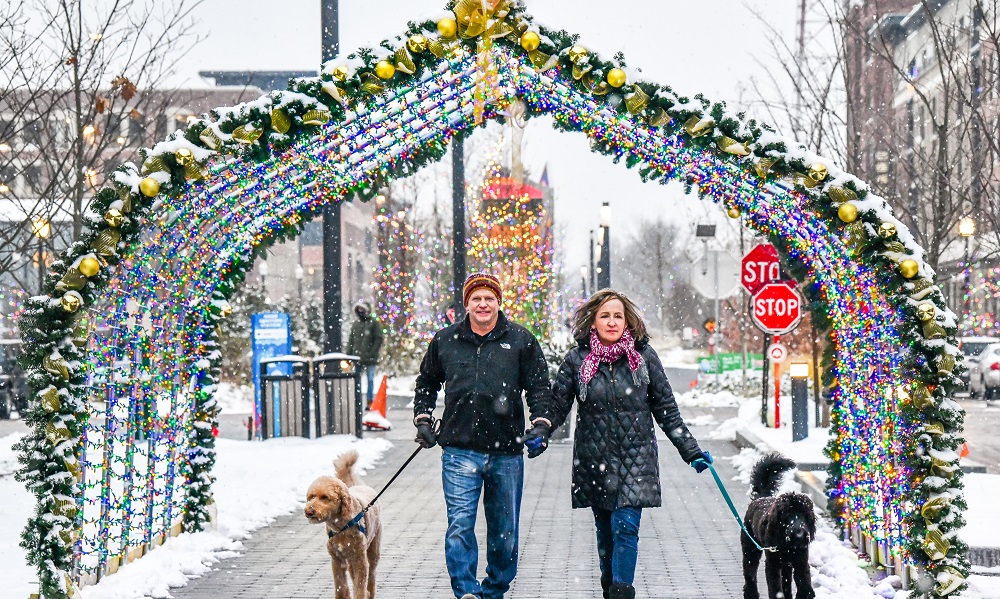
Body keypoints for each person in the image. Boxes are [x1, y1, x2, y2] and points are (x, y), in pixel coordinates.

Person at [523, 289, 712, 599]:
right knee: (606, 535)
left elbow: (667, 411)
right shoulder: (577, 359)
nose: (612, 322)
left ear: (628, 322)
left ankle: (622, 591)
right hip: (594, 458)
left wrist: (690, 451)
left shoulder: (644, 357)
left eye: (618, 316)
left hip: (636, 458)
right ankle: (612, 586)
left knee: (626, 529)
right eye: (605, 316)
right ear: (593, 322)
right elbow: (557, 405)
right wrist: (541, 430)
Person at [412, 272, 552, 599]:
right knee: (460, 527)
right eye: (476, 298)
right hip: (459, 450)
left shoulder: (520, 340)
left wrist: (541, 425)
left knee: (505, 534)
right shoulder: (446, 340)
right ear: (467, 304)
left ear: (498, 302)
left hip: (507, 452)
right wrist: (422, 419)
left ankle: (493, 590)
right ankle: (465, 592)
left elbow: (539, 388)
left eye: (489, 298)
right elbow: (427, 383)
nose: (483, 304)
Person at [346, 301, 384, 407]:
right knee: (357, 379)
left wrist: (371, 352)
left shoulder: (373, 323)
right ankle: (357, 400)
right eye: (359, 310)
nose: (361, 312)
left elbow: (378, 339)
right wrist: (348, 354)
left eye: (362, 309)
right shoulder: (356, 324)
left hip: (369, 358)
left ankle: (369, 401)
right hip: (357, 357)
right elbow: (351, 340)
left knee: (370, 380)